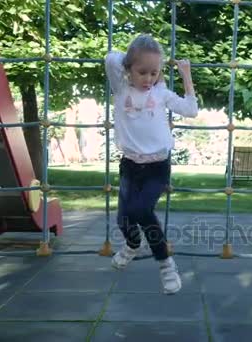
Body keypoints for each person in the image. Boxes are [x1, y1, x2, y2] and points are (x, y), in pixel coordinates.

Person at [105, 34, 198, 294]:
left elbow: (191, 110)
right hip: (130, 165)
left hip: (158, 165)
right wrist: (130, 58)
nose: (148, 78)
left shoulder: (161, 93)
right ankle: (132, 245)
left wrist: (186, 75)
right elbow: (109, 58)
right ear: (128, 70)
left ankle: (166, 263)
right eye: (142, 72)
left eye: (154, 73)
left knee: (141, 211)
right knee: (124, 220)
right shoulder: (120, 88)